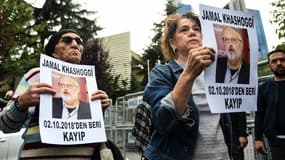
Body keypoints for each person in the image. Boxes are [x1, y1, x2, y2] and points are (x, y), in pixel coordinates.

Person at [0, 29, 111, 159]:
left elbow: (90, 128)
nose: (75, 44)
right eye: (67, 40)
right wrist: (20, 103)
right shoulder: (36, 76)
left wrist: (100, 109)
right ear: (53, 52)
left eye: (79, 41)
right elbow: (6, 126)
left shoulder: (89, 82)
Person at [142, 11, 231, 160]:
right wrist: (188, 74)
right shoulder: (162, 73)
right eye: (184, 30)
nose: (192, 32)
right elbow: (162, 121)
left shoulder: (217, 72)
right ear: (173, 43)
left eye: (196, 29)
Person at [255, 49, 285, 160]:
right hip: (276, 142)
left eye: (282, 60)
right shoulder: (264, 88)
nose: (279, 63)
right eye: (274, 61)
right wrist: (258, 138)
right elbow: (259, 114)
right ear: (269, 65)